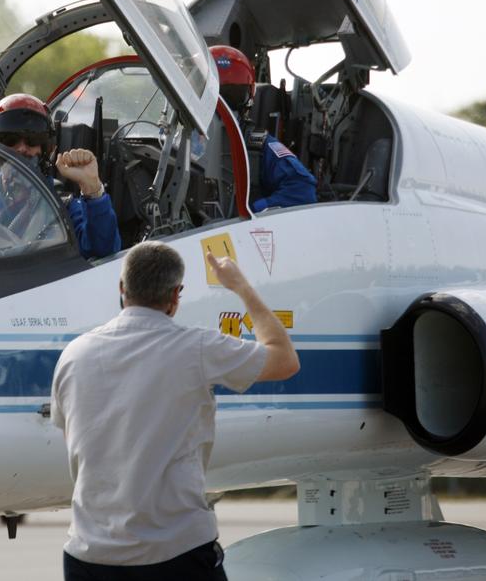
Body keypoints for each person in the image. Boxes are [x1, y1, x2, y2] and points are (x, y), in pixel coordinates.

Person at [51, 242, 300, 580]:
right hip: (176, 555)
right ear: (175, 296)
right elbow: (285, 359)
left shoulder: (73, 355)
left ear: (122, 289)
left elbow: (73, 439)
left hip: (89, 558)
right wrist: (240, 286)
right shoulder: (197, 348)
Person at [0, 93, 120, 260]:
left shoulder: (63, 209)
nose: (21, 149)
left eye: (32, 139)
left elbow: (104, 250)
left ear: (47, 149)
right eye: (9, 139)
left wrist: (92, 187)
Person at [210, 45, 316, 211]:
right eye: (216, 94)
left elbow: (302, 189)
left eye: (232, 96)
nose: (222, 105)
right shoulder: (177, 139)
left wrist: (253, 210)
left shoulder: (257, 143)